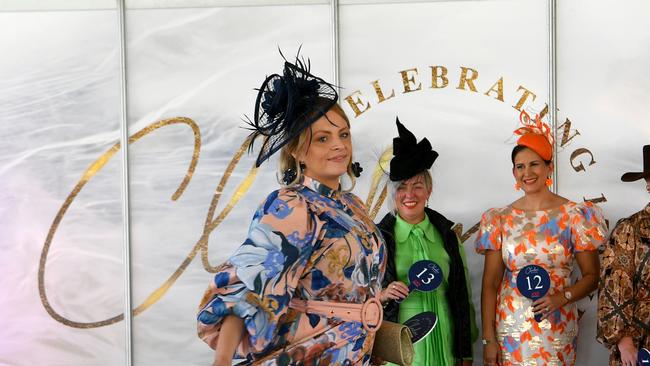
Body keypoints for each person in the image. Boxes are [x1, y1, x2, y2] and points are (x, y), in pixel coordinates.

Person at [196, 55, 386, 366]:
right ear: (297, 151)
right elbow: (246, 293)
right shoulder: (292, 205)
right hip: (309, 354)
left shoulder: (355, 207)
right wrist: (221, 362)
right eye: (323, 138)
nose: (339, 145)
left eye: (343, 135)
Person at [475, 111, 607, 365]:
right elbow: (490, 284)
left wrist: (563, 297)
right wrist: (488, 339)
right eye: (520, 166)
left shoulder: (575, 215)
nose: (527, 172)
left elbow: (592, 277)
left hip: (557, 327)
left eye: (534, 164)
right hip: (510, 329)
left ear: (549, 167)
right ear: (513, 172)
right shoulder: (499, 218)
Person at [376, 118, 478, 366]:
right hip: (398, 344)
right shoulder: (377, 238)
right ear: (393, 193)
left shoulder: (447, 235)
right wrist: (384, 294)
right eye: (402, 187)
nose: (409, 194)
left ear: (429, 190)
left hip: (444, 338)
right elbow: (358, 295)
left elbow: (461, 296)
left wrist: (465, 353)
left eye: (417, 186)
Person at [597, 144, 650, 366]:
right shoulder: (630, 228)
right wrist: (624, 340)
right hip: (641, 341)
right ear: (648, 184)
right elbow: (615, 284)